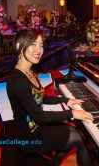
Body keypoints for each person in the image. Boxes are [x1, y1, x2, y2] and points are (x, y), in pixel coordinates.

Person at [6, 28, 93, 166]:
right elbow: (39, 115)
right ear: (19, 46)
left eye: (40, 45)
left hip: (37, 126)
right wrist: (72, 113)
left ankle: (54, 162)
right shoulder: (17, 80)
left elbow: (41, 98)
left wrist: (66, 100)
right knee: (80, 138)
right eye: (33, 44)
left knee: (76, 132)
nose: (39, 49)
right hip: (29, 136)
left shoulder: (30, 71)